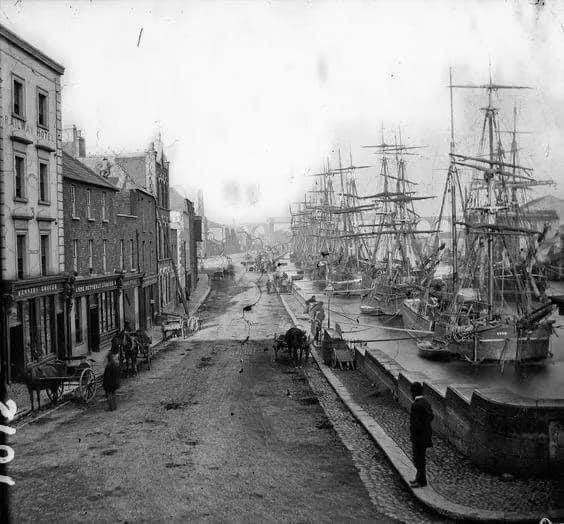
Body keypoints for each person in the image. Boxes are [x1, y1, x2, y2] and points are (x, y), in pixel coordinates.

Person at [409, 382, 434, 487]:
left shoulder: (416, 405)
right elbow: (431, 416)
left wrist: (414, 434)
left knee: (418, 459)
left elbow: (415, 424)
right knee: (421, 458)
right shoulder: (426, 402)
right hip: (426, 436)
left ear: (413, 392)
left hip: (419, 437)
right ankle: (418, 478)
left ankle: (421, 481)